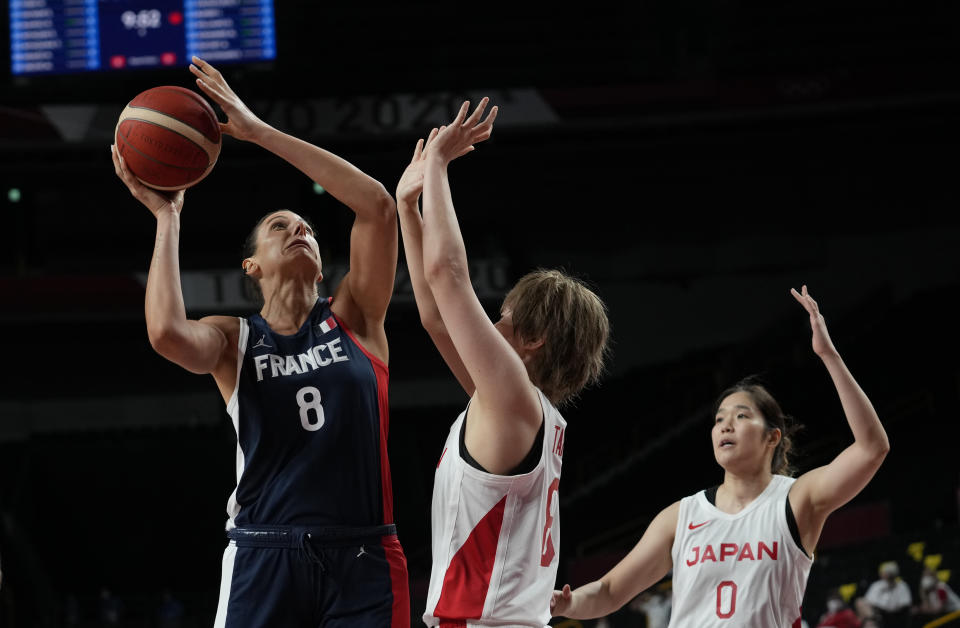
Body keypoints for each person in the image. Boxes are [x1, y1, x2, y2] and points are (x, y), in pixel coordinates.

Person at [111, 56, 409, 627]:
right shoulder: (235, 339)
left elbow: (377, 207)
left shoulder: (357, 318)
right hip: (265, 550)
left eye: (309, 229)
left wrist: (258, 131)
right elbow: (166, 334)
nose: (300, 230)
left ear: (322, 268)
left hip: (365, 555)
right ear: (251, 265)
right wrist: (167, 220)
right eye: (281, 226)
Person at [551, 286, 890, 628]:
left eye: (741, 416)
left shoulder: (796, 500)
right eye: (719, 419)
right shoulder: (681, 516)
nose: (726, 425)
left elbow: (871, 449)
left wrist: (829, 356)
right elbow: (609, 591)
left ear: (772, 437)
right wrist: (567, 603)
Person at [395, 100, 611, 627]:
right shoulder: (516, 407)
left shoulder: (513, 398)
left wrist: (441, 167)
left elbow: (448, 275)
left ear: (533, 339)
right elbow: (437, 318)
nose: (489, 325)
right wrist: (407, 207)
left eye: (503, 317)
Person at [863, 562, 911, 628]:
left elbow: (905, 603)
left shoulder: (902, 585)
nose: (885, 574)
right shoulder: (877, 585)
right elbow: (869, 601)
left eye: (889, 573)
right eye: (884, 572)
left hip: (897, 616)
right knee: (861, 603)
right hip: (878, 615)